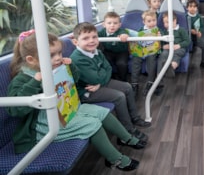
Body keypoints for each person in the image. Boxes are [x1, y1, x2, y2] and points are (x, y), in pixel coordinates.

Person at [7, 31, 144, 171]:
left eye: (59, 53)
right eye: (51, 55)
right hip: (44, 125)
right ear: (31, 60)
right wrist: (35, 82)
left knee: (102, 112)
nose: (58, 58)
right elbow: (15, 109)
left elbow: (75, 80)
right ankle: (115, 159)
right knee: (93, 124)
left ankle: (125, 138)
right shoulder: (22, 79)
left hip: (67, 110)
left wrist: (70, 67)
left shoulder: (55, 67)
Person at [70, 22, 150, 140]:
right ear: (76, 42)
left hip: (98, 85)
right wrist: (101, 76)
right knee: (119, 96)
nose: (91, 41)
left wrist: (100, 80)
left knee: (127, 87)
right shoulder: (77, 59)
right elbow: (94, 78)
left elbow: (109, 69)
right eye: (86, 38)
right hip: (88, 91)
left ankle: (135, 117)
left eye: (94, 37)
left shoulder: (98, 52)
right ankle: (127, 130)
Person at [130, 10, 161, 97]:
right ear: (144, 22)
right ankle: (134, 83)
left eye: (154, 20)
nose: (152, 23)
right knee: (136, 59)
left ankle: (150, 83)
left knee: (151, 59)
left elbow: (161, 43)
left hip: (153, 50)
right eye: (149, 21)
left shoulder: (158, 30)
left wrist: (159, 37)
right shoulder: (141, 30)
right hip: (141, 50)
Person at [97, 11, 130, 82]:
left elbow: (124, 33)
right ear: (104, 24)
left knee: (122, 63)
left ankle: (123, 79)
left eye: (115, 23)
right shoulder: (102, 32)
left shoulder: (121, 31)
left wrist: (124, 36)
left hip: (121, 52)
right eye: (109, 23)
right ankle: (110, 77)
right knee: (104, 61)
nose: (112, 25)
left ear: (119, 25)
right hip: (108, 51)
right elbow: (93, 35)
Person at [157, 12, 191, 78]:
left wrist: (179, 45)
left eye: (167, 22)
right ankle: (159, 74)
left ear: (174, 21)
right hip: (168, 48)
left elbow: (187, 41)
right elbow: (162, 42)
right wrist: (164, 46)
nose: (165, 24)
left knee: (177, 54)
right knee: (163, 54)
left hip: (179, 48)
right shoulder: (164, 31)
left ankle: (172, 66)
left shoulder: (181, 30)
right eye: (164, 23)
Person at [186, 0, 204, 71]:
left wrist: (200, 32)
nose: (192, 8)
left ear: (197, 8)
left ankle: (203, 62)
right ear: (187, 8)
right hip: (187, 37)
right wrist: (190, 30)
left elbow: (202, 26)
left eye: (194, 7)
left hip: (196, 38)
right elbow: (183, 27)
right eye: (190, 6)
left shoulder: (199, 17)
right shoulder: (185, 17)